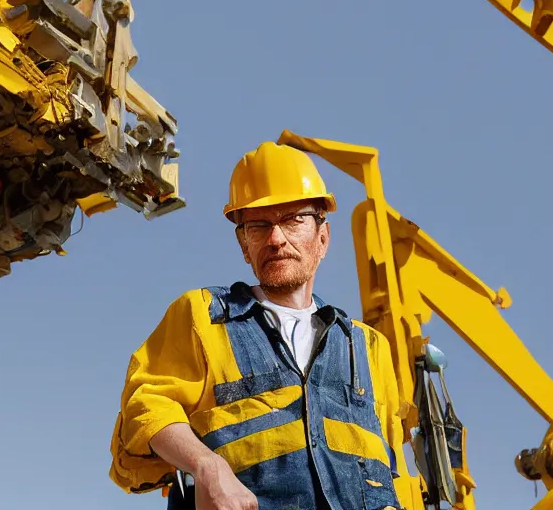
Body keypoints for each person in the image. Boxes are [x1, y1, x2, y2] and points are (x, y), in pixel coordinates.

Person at [109, 141, 407, 510]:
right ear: (243, 244)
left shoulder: (367, 346)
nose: (276, 239)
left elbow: (392, 468)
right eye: (259, 226)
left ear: (323, 238)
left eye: (293, 219)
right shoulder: (202, 316)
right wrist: (206, 464)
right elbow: (145, 406)